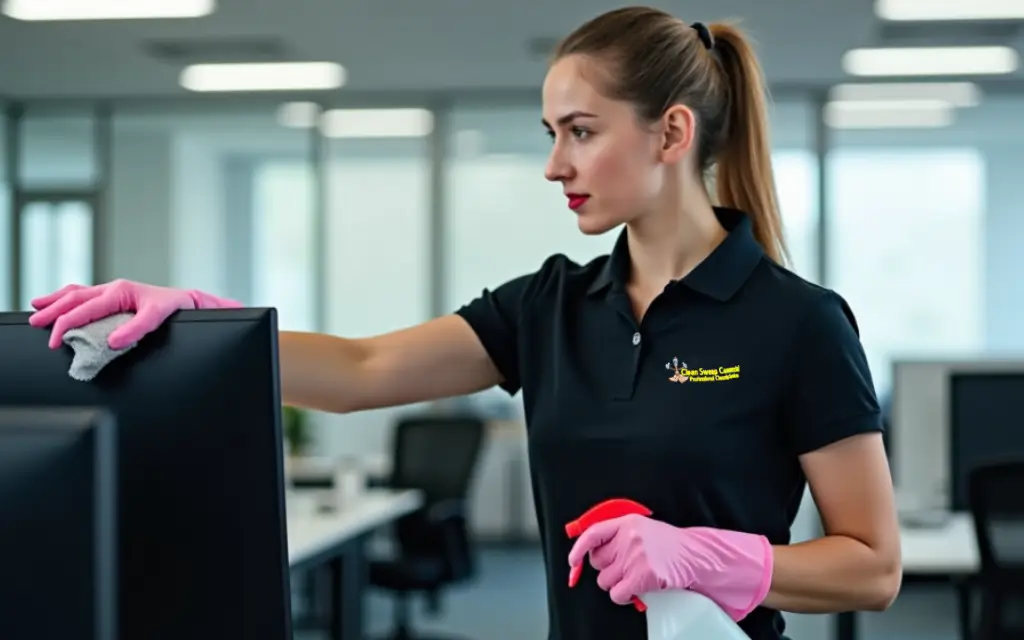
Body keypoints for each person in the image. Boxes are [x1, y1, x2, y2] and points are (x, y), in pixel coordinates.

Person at [27, 6, 901, 640]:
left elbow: (873, 566)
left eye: (581, 132)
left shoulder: (800, 324)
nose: (556, 164)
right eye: (551, 133)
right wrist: (206, 327)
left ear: (671, 133)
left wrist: (716, 559)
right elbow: (364, 370)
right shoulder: (550, 305)